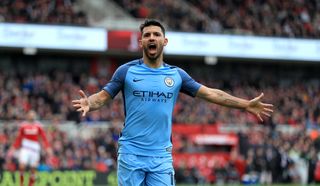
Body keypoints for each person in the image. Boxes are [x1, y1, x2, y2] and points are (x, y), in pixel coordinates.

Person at [72, 19, 273, 186]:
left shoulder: (177, 76)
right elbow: (103, 96)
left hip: (161, 157)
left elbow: (211, 94)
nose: (152, 38)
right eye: (147, 35)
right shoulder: (126, 71)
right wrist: (89, 103)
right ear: (141, 42)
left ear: (164, 41)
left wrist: (245, 104)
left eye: (156, 35)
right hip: (131, 153)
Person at [7, 110, 52, 186]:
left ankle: (30, 184)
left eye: (33, 115)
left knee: (33, 169)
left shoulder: (38, 126)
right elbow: (19, 138)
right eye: (30, 115)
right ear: (28, 116)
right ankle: (21, 183)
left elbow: (44, 138)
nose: (32, 116)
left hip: (35, 149)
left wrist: (47, 147)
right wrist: (13, 148)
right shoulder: (23, 125)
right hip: (26, 148)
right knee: (22, 166)